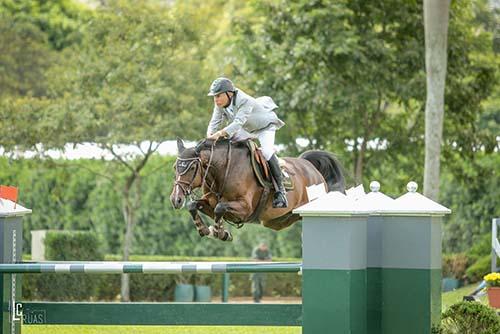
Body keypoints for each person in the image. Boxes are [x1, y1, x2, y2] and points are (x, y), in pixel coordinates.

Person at [206, 77, 288, 208]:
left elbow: (238, 123)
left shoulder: (244, 100)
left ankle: (281, 190)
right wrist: (209, 135)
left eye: (218, 95)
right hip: (246, 128)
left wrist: (220, 133)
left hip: (264, 127)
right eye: (214, 96)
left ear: (229, 93)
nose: (216, 99)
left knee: (266, 152)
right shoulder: (220, 103)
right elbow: (214, 121)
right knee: (227, 144)